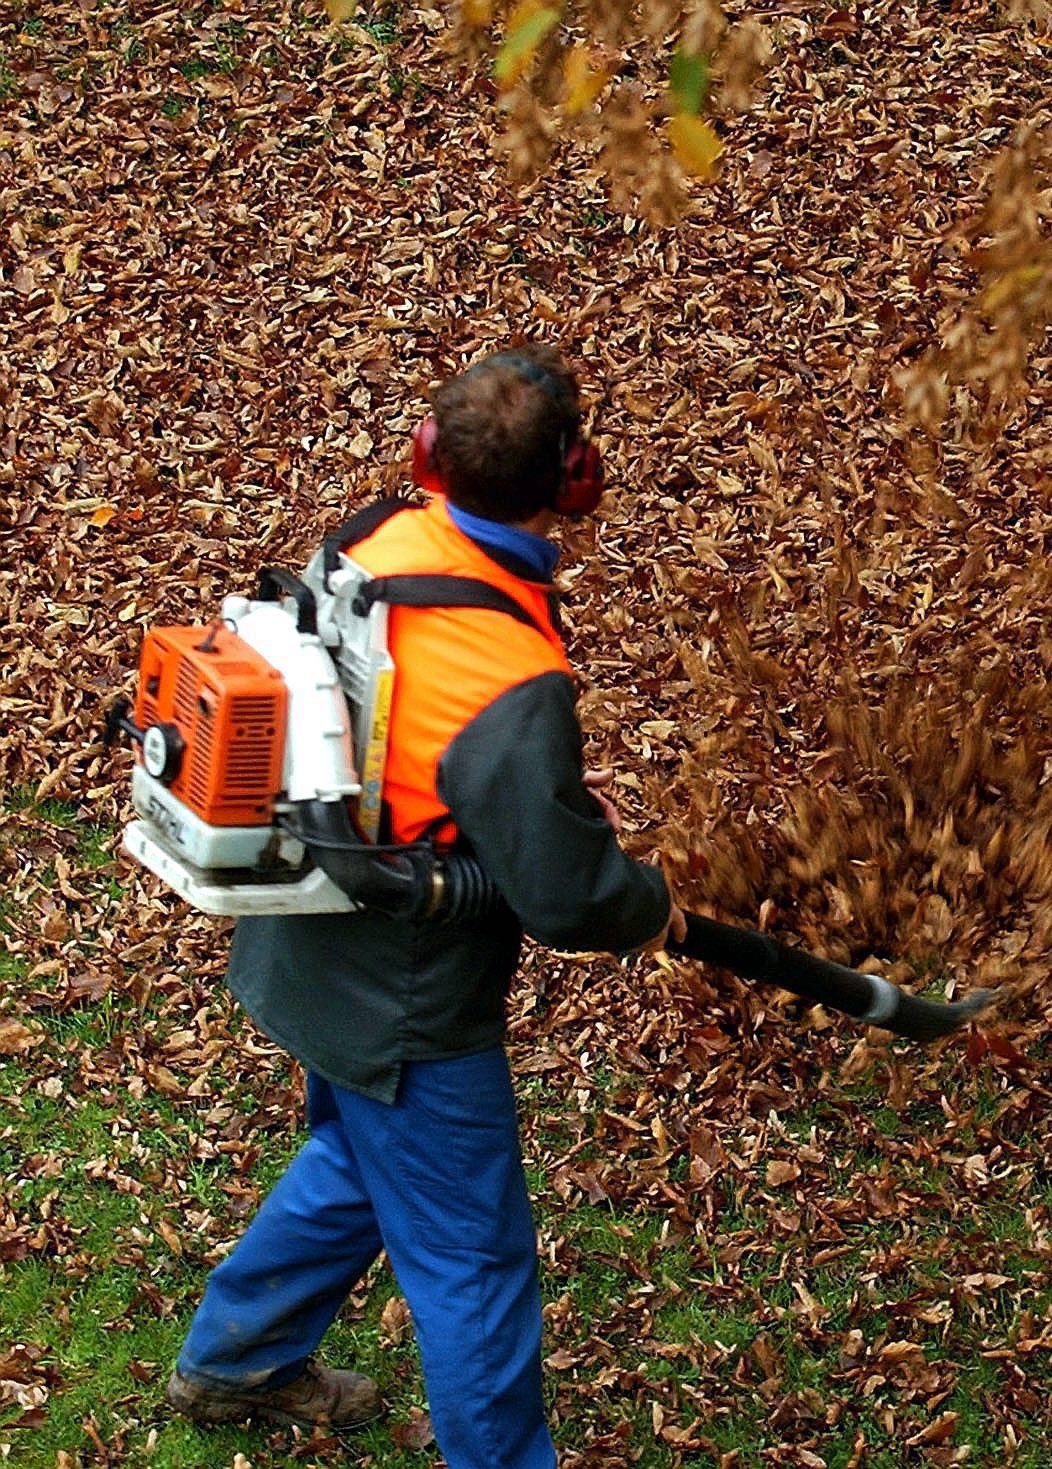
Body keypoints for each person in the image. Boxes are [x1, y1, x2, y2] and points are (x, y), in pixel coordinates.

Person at [165, 344, 686, 1469]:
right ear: (577, 475)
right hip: (408, 998)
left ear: (423, 455)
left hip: (307, 929)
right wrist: (644, 902)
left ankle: (235, 1359)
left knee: (359, 1157)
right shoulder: (504, 673)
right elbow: (565, 891)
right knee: (471, 1259)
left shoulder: (368, 539)